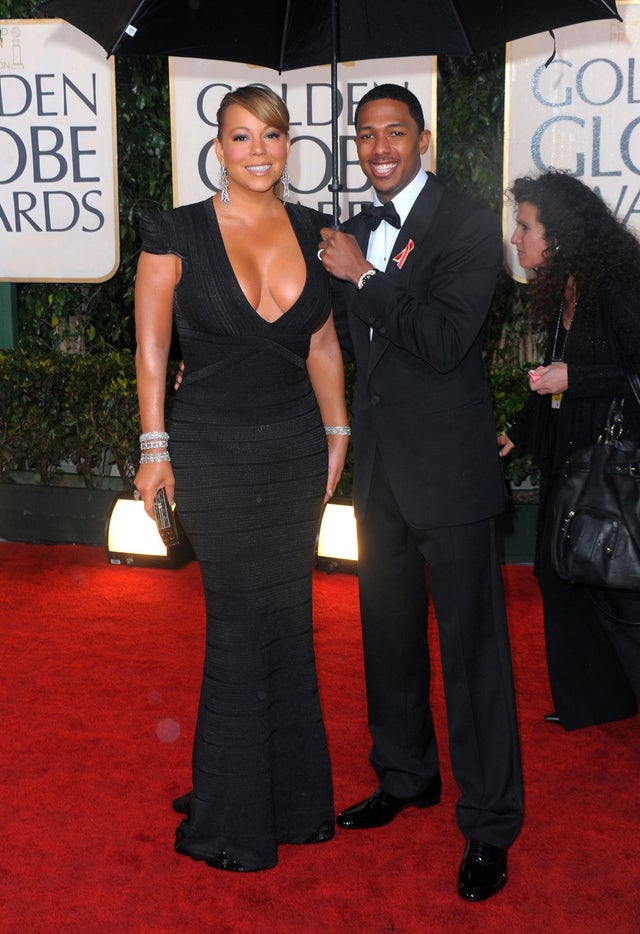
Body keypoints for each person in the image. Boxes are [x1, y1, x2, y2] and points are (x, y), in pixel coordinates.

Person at [133, 85, 349, 872]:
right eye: (241, 137)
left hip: (294, 449)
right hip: (214, 452)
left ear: (289, 145)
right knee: (238, 622)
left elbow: (322, 342)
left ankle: (294, 802)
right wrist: (155, 447)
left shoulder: (311, 232)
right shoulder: (175, 231)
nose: (259, 151)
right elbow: (153, 350)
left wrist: (337, 431)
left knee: (288, 622)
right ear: (218, 148)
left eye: (273, 136)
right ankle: (231, 816)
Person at [318, 84, 523, 902]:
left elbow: (442, 341)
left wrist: (364, 276)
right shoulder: (350, 230)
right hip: (380, 478)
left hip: (452, 472)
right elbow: (323, 340)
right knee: (387, 639)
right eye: (365, 135)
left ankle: (490, 824)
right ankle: (406, 775)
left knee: (475, 656)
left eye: (394, 133)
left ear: (423, 139)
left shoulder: (468, 224)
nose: (378, 148)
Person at [500, 170, 640, 730]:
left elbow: (611, 374)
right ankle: (595, 702)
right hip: (570, 460)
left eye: (525, 226)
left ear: (558, 236)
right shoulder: (566, 288)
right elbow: (553, 381)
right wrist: (521, 429)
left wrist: (575, 378)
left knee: (618, 586)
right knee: (558, 576)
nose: (515, 238)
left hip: (615, 467)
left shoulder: (616, 287)